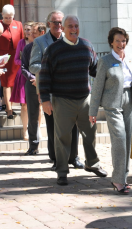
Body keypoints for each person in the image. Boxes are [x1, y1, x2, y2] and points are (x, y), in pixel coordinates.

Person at [39, 14, 107, 186]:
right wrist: (45, 100)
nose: (74, 29)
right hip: (62, 101)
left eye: (76, 26)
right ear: (62, 27)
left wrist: (110, 80)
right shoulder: (53, 50)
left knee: (90, 133)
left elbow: (95, 70)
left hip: (85, 99)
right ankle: (62, 171)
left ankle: (92, 163)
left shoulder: (87, 46)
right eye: (70, 26)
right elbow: (45, 76)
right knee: (62, 137)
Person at [29, 10, 83, 171]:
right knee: (53, 127)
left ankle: (74, 157)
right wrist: (52, 68)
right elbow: (33, 65)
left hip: (71, 91)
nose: (58, 25)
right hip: (50, 92)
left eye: (61, 22)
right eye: (55, 22)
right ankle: (56, 159)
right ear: (48, 24)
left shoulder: (72, 40)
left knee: (74, 126)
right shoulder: (39, 42)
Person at [89, 27, 132, 194]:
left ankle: (123, 177)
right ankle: (118, 180)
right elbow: (97, 88)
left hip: (129, 103)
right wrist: (93, 111)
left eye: (123, 40)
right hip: (112, 105)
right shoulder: (105, 61)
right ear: (111, 42)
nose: (121, 44)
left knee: (127, 141)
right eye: (117, 40)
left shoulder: (131, 58)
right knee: (119, 140)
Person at [21, 22, 46, 155]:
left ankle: (54, 149)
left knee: (52, 115)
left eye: (34, 33)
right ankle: (33, 146)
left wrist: (41, 79)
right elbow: (23, 67)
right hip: (31, 84)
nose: (30, 34)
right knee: (32, 115)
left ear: (42, 33)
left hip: (48, 84)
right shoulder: (27, 48)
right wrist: (34, 79)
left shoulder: (49, 47)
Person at [10, 21, 34, 140]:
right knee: (24, 105)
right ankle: (25, 131)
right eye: (25, 29)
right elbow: (16, 60)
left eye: (29, 29)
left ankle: (36, 130)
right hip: (23, 75)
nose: (27, 32)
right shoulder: (21, 42)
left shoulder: (37, 42)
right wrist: (25, 64)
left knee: (38, 106)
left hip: (36, 75)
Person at [0, 4, 24, 118]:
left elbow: (23, 40)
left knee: (14, 82)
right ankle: (9, 110)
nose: (9, 20)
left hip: (16, 56)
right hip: (3, 57)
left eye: (11, 17)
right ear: (2, 15)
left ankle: (11, 105)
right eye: (6, 17)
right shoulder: (0, 24)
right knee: (6, 83)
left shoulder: (18, 24)